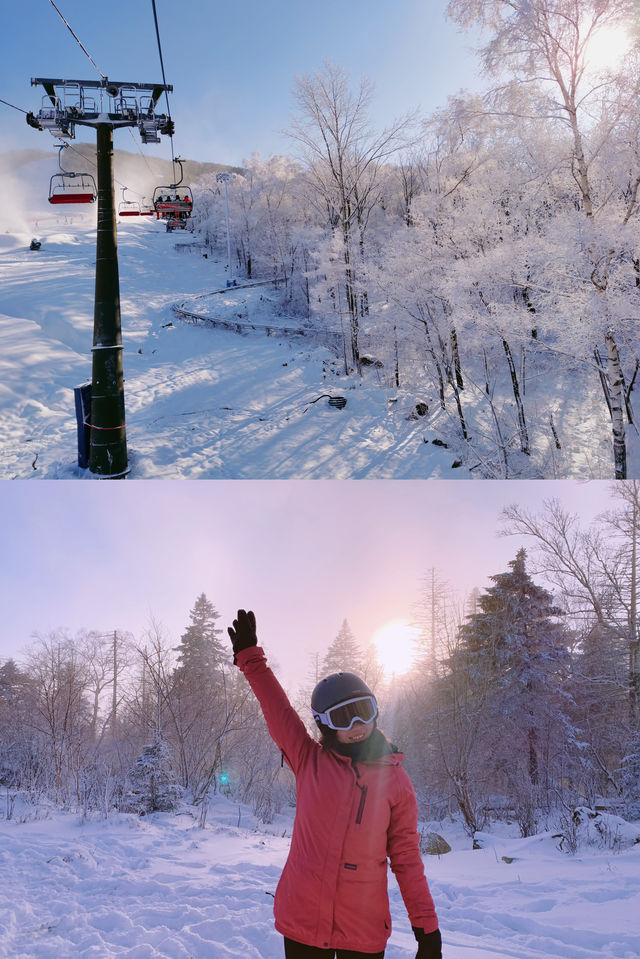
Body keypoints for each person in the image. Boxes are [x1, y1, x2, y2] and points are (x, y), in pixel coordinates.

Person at [227, 609, 443, 959]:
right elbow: (278, 710)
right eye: (343, 717)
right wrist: (251, 659)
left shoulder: (396, 782)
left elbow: (406, 859)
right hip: (303, 919)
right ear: (325, 725)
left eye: (363, 711)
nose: (357, 723)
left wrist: (426, 928)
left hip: (362, 927)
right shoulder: (308, 760)